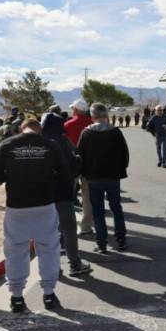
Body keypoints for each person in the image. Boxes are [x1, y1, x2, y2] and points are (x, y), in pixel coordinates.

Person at [0, 119, 68, 312]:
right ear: (39, 130)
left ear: (20, 129)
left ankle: (17, 297)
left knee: (15, 250)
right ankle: (49, 294)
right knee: (49, 248)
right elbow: (65, 173)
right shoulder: (50, 144)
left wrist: (13, 175)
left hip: (17, 207)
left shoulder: (7, 145)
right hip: (44, 205)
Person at [41, 114, 92, 277]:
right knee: (68, 228)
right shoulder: (62, 141)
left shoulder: (39, 142)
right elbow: (74, 164)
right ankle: (75, 264)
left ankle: (53, 267)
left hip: (44, 195)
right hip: (63, 192)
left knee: (49, 231)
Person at [78, 103, 130, 253]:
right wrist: (121, 169)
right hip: (113, 177)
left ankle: (101, 243)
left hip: (93, 178)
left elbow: (80, 155)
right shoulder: (115, 132)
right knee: (116, 208)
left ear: (92, 116)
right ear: (105, 114)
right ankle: (121, 240)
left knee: (98, 211)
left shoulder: (86, 133)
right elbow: (124, 154)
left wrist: (83, 173)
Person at [64, 99, 94, 236]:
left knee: (69, 196)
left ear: (75, 110)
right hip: (89, 164)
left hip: (72, 165)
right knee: (88, 197)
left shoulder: (68, 124)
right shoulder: (92, 124)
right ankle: (86, 226)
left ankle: (68, 225)